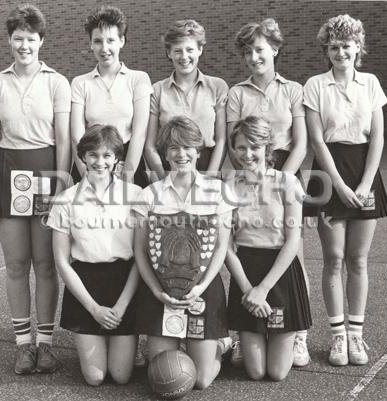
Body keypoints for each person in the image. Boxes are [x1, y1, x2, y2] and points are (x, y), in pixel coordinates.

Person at [0, 4, 70, 374]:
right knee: (17, 264)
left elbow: (64, 141)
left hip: (47, 173)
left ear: (41, 41)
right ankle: (23, 345)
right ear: (9, 40)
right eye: (17, 38)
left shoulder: (57, 82)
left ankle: (46, 345)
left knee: (46, 265)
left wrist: (62, 187)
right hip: (9, 174)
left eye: (30, 39)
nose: (24, 45)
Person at [304, 14, 387, 366]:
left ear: (359, 47)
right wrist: (338, 185)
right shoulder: (314, 85)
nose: (341, 51)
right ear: (327, 49)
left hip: (365, 171)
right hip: (330, 174)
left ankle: (357, 335)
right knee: (334, 259)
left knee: (357, 260)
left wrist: (366, 183)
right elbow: (316, 140)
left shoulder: (370, 83)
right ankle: (337, 337)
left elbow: (379, 137)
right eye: (334, 46)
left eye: (347, 45)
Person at [226, 19, 310, 367]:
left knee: (293, 250)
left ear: (274, 48)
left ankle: (299, 332)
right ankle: (248, 331)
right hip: (250, 172)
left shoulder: (292, 89)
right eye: (247, 52)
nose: (253, 57)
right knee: (245, 240)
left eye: (259, 49)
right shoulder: (237, 93)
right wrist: (254, 180)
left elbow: (302, 142)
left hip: (282, 169)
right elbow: (236, 145)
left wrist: (279, 182)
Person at [133, 116, 234, 389]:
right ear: (164, 153)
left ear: (198, 151)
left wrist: (200, 288)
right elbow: (140, 252)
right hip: (162, 293)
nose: (181, 154)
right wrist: (156, 291)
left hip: (203, 289)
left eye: (188, 147)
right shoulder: (149, 195)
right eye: (173, 148)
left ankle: (221, 346)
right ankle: (169, 342)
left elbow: (221, 249)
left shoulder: (217, 191)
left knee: (199, 381)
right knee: (162, 374)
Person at [47, 125, 141, 385]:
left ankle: (127, 344)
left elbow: (140, 258)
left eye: (107, 155)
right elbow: (62, 263)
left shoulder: (134, 195)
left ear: (116, 159)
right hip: (86, 284)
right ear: (83, 157)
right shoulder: (65, 200)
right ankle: (99, 339)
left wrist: (121, 306)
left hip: (125, 283)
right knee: (95, 378)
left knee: (121, 377)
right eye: (93, 155)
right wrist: (94, 308)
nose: (100, 162)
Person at [225, 116, 312, 381]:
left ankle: (295, 335)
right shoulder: (229, 187)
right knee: (255, 371)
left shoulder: (287, 183)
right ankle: (233, 340)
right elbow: (226, 247)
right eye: (241, 147)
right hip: (247, 271)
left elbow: (292, 240)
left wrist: (263, 289)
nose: (247, 154)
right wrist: (249, 290)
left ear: (267, 149)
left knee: (276, 373)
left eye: (254, 147)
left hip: (281, 273)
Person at [71, 5, 151, 186]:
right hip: (90, 160)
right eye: (98, 41)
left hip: (128, 159)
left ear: (122, 41)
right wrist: (86, 172)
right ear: (91, 43)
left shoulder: (139, 79)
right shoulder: (79, 83)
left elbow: (139, 133)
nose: (104, 48)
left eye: (111, 40)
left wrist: (128, 174)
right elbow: (77, 135)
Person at [144, 20, 228, 181]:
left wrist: (209, 180)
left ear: (200, 50)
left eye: (190, 49)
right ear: (169, 53)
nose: (184, 57)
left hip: (207, 166)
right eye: (177, 51)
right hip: (170, 167)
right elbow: (150, 145)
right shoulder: (158, 90)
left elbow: (221, 139)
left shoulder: (217, 86)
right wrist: (163, 180)